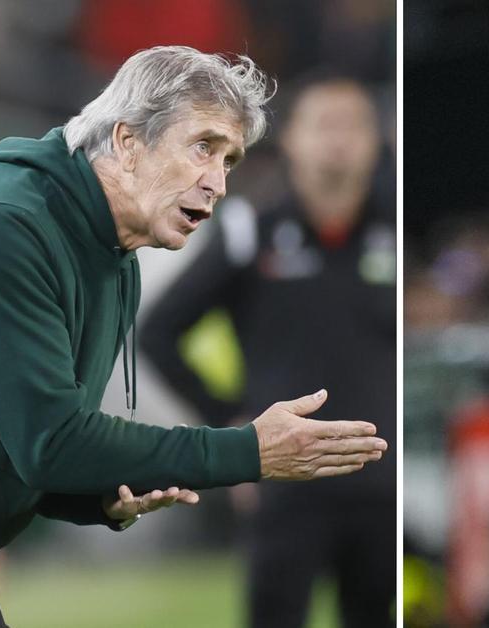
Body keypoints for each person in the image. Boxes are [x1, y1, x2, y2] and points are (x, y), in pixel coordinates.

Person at [0, 46, 387, 628]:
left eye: (230, 161)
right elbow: (52, 441)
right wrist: (248, 451)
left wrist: (98, 498)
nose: (217, 183)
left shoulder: (115, 256)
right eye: (203, 147)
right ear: (129, 141)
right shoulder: (1, 221)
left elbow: (30, 448)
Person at [140, 73, 395, 628]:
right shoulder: (247, 232)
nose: (339, 139)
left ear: (376, 142)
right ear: (292, 141)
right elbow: (158, 332)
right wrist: (231, 429)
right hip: (287, 483)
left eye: (352, 125)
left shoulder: (397, 231)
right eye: (323, 124)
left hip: (383, 488)